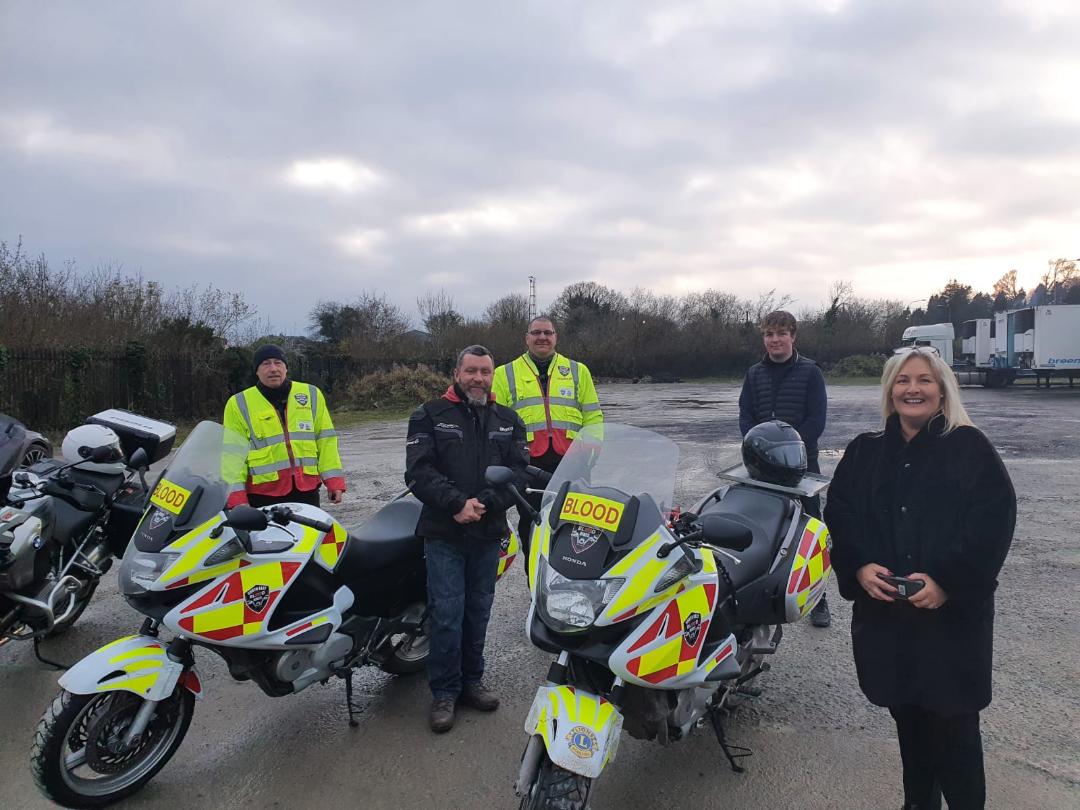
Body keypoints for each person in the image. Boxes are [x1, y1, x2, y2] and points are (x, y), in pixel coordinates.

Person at [824, 347, 1015, 810]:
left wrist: (948, 580)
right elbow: (841, 515)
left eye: (924, 380)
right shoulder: (865, 451)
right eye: (903, 380)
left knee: (956, 733)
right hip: (888, 620)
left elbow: (993, 522)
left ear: (942, 388)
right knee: (909, 721)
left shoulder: (969, 447)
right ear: (890, 390)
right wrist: (858, 566)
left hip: (950, 626)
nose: (913, 389)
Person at [405, 345, 528, 733]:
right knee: (446, 614)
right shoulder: (428, 415)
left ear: (493, 376)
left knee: (479, 611)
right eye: (471, 371)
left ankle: (472, 682)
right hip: (445, 532)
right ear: (457, 373)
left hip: (488, 532)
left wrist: (487, 504)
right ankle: (444, 692)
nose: (478, 378)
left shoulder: (508, 420)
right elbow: (418, 472)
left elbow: (519, 473)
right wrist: (457, 504)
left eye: (485, 372)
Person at [738, 310, 831, 626]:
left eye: (781, 334)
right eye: (769, 334)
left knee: (809, 531)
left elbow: (816, 421)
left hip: (801, 466)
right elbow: (745, 416)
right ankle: (758, 595)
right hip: (760, 469)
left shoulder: (810, 373)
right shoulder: (754, 374)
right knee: (760, 529)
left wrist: (788, 448)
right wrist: (760, 447)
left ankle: (819, 600)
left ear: (793, 336)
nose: (774, 340)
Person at [492, 315, 603, 554]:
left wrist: (590, 455)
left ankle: (573, 586)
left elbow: (593, 416)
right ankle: (536, 586)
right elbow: (496, 422)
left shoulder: (578, 371)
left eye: (548, 333)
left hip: (573, 462)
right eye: (536, 333)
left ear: (556, 338)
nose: (542, 337)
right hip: (527, 465)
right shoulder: (504, 373)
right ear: (527, 338)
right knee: (532, 527)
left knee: (576, 529)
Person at [223, 344, 345, 509]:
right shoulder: (238, 404)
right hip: (262, 495)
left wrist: (334, 482)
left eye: (278, 363)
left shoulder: (311, 394)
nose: (273, 368)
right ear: (256, 371)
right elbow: (232, 455)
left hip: (306, 491)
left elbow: (325, 440)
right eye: (266, 363)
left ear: (286, 368)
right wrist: (237, 499)